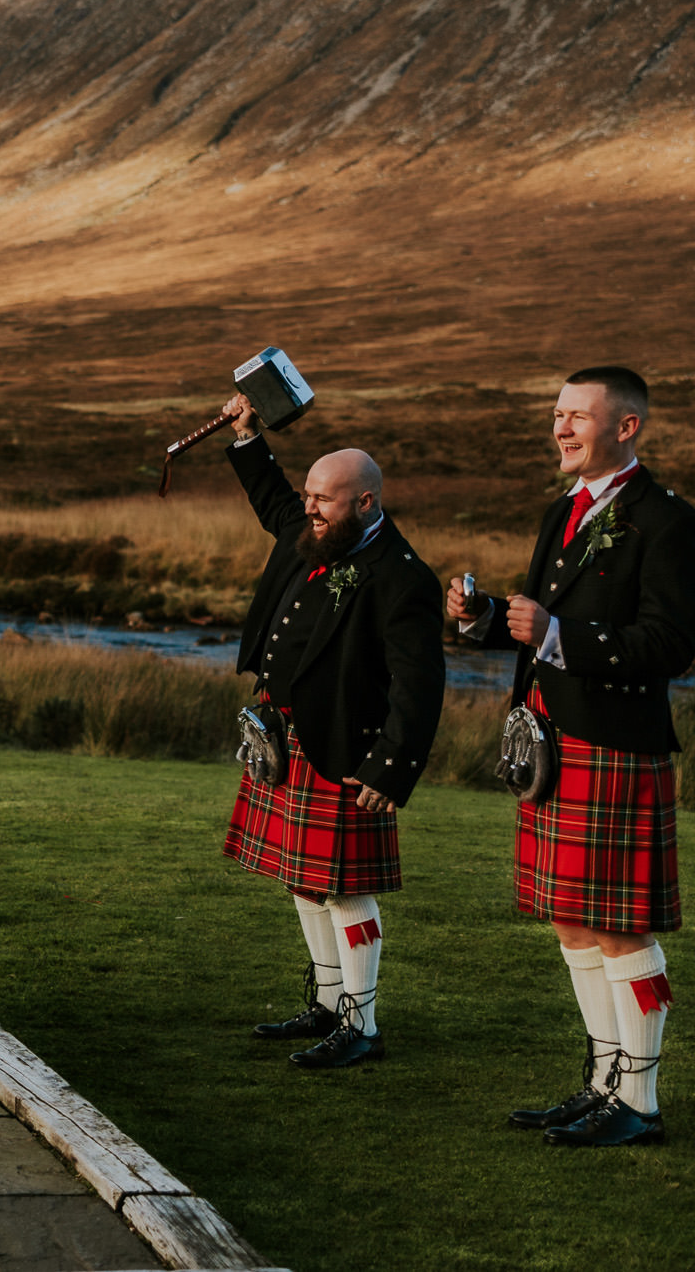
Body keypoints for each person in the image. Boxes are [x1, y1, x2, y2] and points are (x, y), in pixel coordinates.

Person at [447, 367, 695, 1147]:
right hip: (555, 746)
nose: (560, 428)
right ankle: (602, 1082)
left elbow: (670, 646)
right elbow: (543, 621)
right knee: (572, 921)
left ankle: (641, 1102)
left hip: (616, 743)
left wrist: (557, 634)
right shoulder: (566, 509)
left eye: (576, 416)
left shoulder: (667, 521)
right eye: (557, 414)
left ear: (625, 427)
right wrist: (487, 616)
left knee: (622, 927)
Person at [217, 394, 443, 1069]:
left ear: (366, 504)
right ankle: (325, 998)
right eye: (310, 495)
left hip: (345, 745)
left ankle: (361, 1023)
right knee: (301, 878)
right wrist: (248, 437)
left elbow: (419, 683)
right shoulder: (313, 532)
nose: (309, 507)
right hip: (285, 736)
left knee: (344, 887)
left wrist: (391, 765)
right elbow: (274, 501)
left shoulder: (403, 580)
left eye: (325, 499)